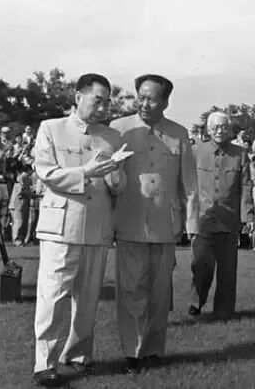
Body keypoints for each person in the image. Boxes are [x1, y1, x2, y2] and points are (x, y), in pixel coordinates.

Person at [32, 73, 127, 387]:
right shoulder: (51, 128)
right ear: (77, 96)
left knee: (87, 298)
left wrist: (115, 172)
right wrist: (86, 171)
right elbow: (47, 173)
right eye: (97, 100)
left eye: (106, 103)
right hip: (61, 226)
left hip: (97, 226)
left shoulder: (112, 137)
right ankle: (44, 364)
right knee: (53, 296)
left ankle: (77, 356)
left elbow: (119, 186)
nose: (102, 108)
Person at [109, 74, 199, 373]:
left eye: (152, 99)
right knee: (130, 291)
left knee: (160, 293)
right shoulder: (119, 129)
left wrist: (191, 224)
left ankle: (154, 350)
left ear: (166, 102)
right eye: (141, 97)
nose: (145, 104)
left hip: (165, 225)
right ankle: (132, 352)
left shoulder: (179, 133)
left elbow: (189, 183)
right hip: (129, 221)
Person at [189, 111, 253, 319]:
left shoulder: (240, 154)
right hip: (203, 218)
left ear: (230, 130)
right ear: (208, 129)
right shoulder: (196, 151)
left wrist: (247, 216)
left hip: (229, 219)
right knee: (201, 264)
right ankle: (196, 301)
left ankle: (224, 311)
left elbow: (246, 186)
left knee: (227, 270)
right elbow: (188, 185)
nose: (219, 131)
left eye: (224, 127)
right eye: (215, 127)